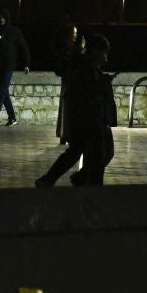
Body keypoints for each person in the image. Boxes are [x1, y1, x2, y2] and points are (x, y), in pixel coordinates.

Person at [36, 35, 116, 186]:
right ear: (95, 52)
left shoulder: (89, 69)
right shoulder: (84, 69)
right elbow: (85, 93)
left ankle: (68, 178)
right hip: (88, 120)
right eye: (104, 52)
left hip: (92, 119)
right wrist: (102, 84)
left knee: (83, 152)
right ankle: (85, 182)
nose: (106, 57)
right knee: (95, 155)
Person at [0, 11, 32, 127]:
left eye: (3, 17)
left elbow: (23, 47)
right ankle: (12, 117)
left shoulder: (14, 31)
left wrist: (26, 64)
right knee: (3, 91)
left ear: (6, 18)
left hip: (9, 66)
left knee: (1, 90)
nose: (1, 19)